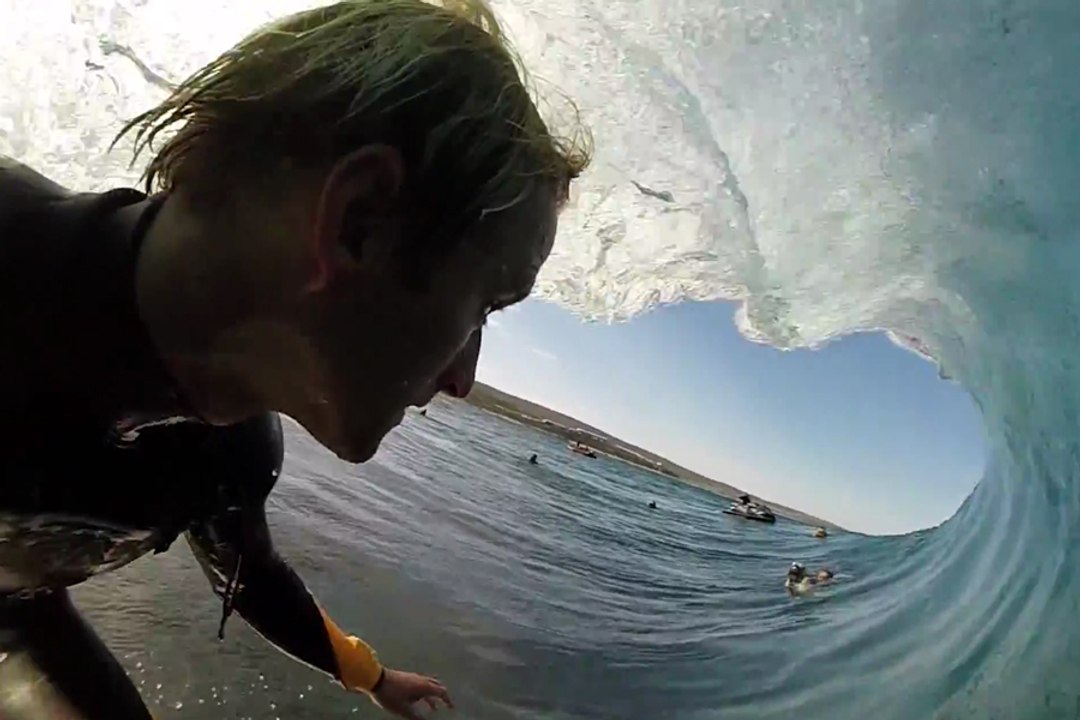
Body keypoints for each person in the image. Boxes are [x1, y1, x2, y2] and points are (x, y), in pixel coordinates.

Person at [0, 0, 590, 718]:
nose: (464, 379)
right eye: (484, 308)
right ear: (359, 223)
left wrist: (372, 678)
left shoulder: (227, 457)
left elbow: (250, 579)